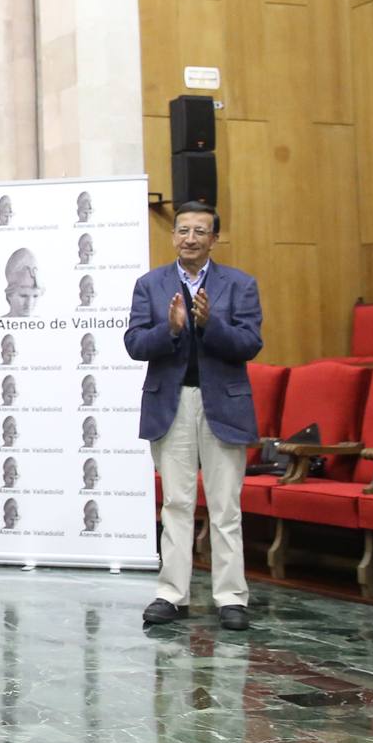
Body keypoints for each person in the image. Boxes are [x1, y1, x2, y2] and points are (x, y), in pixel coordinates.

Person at [125, 201, 263, 632]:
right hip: (172, 403)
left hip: (223, 404)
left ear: (213, 238)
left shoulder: (240, 284)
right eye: (182, 230)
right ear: (174, 237)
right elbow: (134, 343)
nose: (189, 238)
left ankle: (231, 598)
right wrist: (170, 330)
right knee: (177, 503)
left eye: (199, 231)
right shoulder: (151, 285)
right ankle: (172, 593)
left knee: (225, 507)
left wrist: (209, 325)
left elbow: (250, 343)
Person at [2, 248, 40, 316]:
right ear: (9, 296)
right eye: (23, 296)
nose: (29, 303)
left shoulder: (43, 324)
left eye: (35, 296)